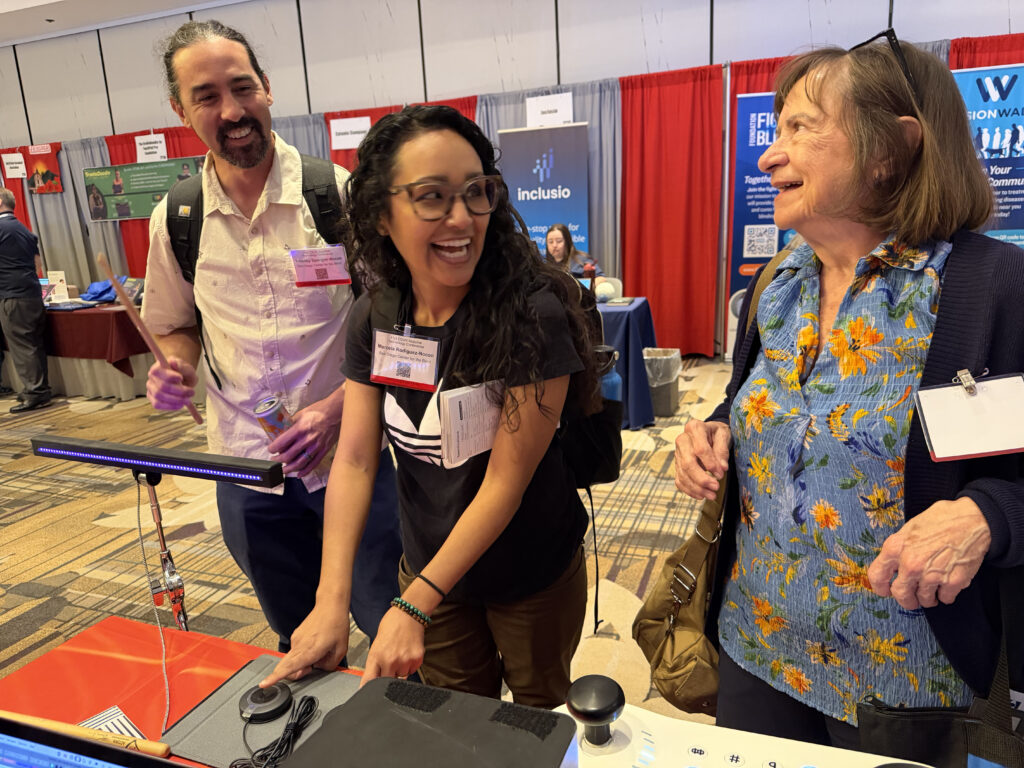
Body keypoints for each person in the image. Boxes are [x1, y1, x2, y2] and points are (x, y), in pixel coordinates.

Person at [673, 34, 1023, 749]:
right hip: (756, 642)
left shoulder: (990, 290)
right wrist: (714, 430)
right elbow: (775, 407)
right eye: (776, 131)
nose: (770, 155)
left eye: (802, 128)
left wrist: (988, 515)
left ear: (890, 149)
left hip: (902, 679)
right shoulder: (776, 285)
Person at [263, 105, 599, 708]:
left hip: (529, 571)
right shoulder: (377, 314)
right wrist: (330, 600)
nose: (462, 217)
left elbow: (505, 482)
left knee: (539, 714)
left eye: (476, 192)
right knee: (454, 719)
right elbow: (358, 460)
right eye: (432, 197)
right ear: (380, 215)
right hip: (426, 563)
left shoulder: (533, 313)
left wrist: (414, 602)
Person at [140, 19, 403, 653]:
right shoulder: (177, 219)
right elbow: (175, 327)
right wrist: (172, 365)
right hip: (244, 467)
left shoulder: (334, 195)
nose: (231, 110)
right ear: (181, 110)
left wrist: (337, 410)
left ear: (268, 88)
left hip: (354, 455)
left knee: (386, 617)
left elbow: (399, 322)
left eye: (242, 87)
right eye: (206, 96)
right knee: (293, 626)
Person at [0, 188, 51, 413]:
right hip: (31, 293)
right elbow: (38, 263)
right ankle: (39, 389)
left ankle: (35, 393)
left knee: (22, 346)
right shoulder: (24, 230)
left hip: (12, 296)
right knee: (34, 345)